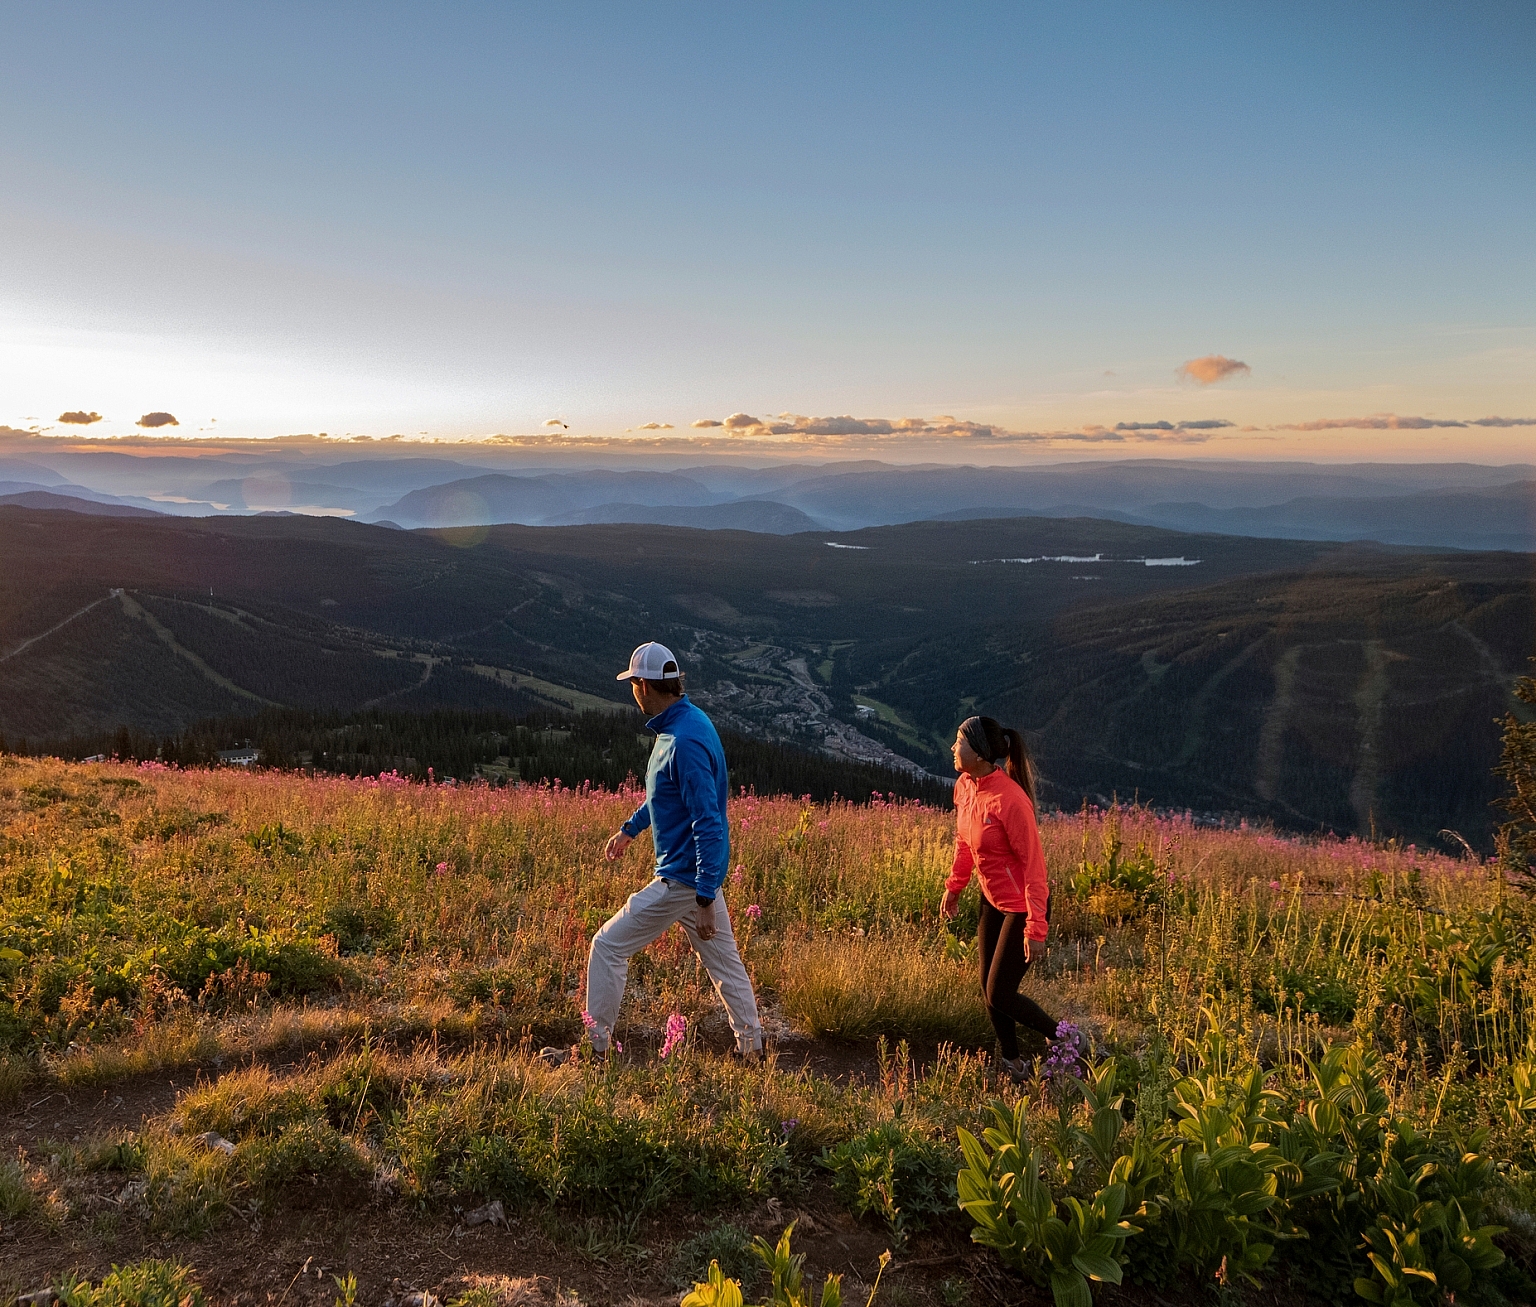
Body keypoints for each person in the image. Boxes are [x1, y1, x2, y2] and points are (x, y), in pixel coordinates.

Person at [584, 640, 764, 1058]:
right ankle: (752, 1048)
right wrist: (631, 830)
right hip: (697, 878)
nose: (632, 691)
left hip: (683, 880)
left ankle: (595, 1049)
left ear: (644, 686)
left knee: (607, 946)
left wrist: (702, 896)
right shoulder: (687, 724)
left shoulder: (682, 741)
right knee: (726, 966)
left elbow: (708, 821)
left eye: (633, 684)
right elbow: (665, 796)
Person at [941, 715, 1061, 1079]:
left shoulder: (1011, 801)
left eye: (959, 741)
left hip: (1023, 907)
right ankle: (1014, 1062)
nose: (952, 748)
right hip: (991, 900)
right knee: (988, 988)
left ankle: (1068, 1040)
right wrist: (954, 887)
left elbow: (1034, 868)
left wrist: (1036, 927)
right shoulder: (965, 786)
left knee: (1000, 994)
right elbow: (965, 843)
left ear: (978, 753)